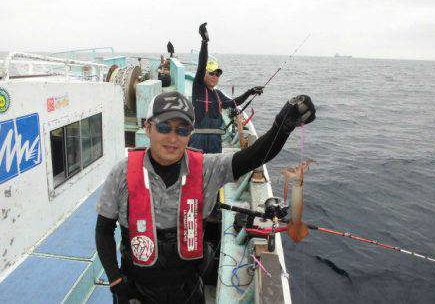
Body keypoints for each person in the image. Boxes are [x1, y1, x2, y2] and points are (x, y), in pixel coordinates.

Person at [95, 90, 315, 303]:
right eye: (164, 128)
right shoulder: (122, 173)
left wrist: (282, 126)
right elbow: (104, 230)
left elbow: (254, 156)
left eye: (182, 131)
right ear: (148, 127)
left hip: (187, 290)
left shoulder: (207, 169)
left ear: (190, 134)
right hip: (136, 291)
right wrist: (115, 281)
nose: (173, 138)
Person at [190, 22, 264, 154]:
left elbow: (235, 102)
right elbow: (201, 64)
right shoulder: (198, 88)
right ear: (204, 74)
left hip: (215, 141)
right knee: (196, 171)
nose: (214, 76)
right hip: (198, 140)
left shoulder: (218, 94)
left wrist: (250, 92)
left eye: (217, 74)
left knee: (214, 171)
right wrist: (205, 42)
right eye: (211, 73)